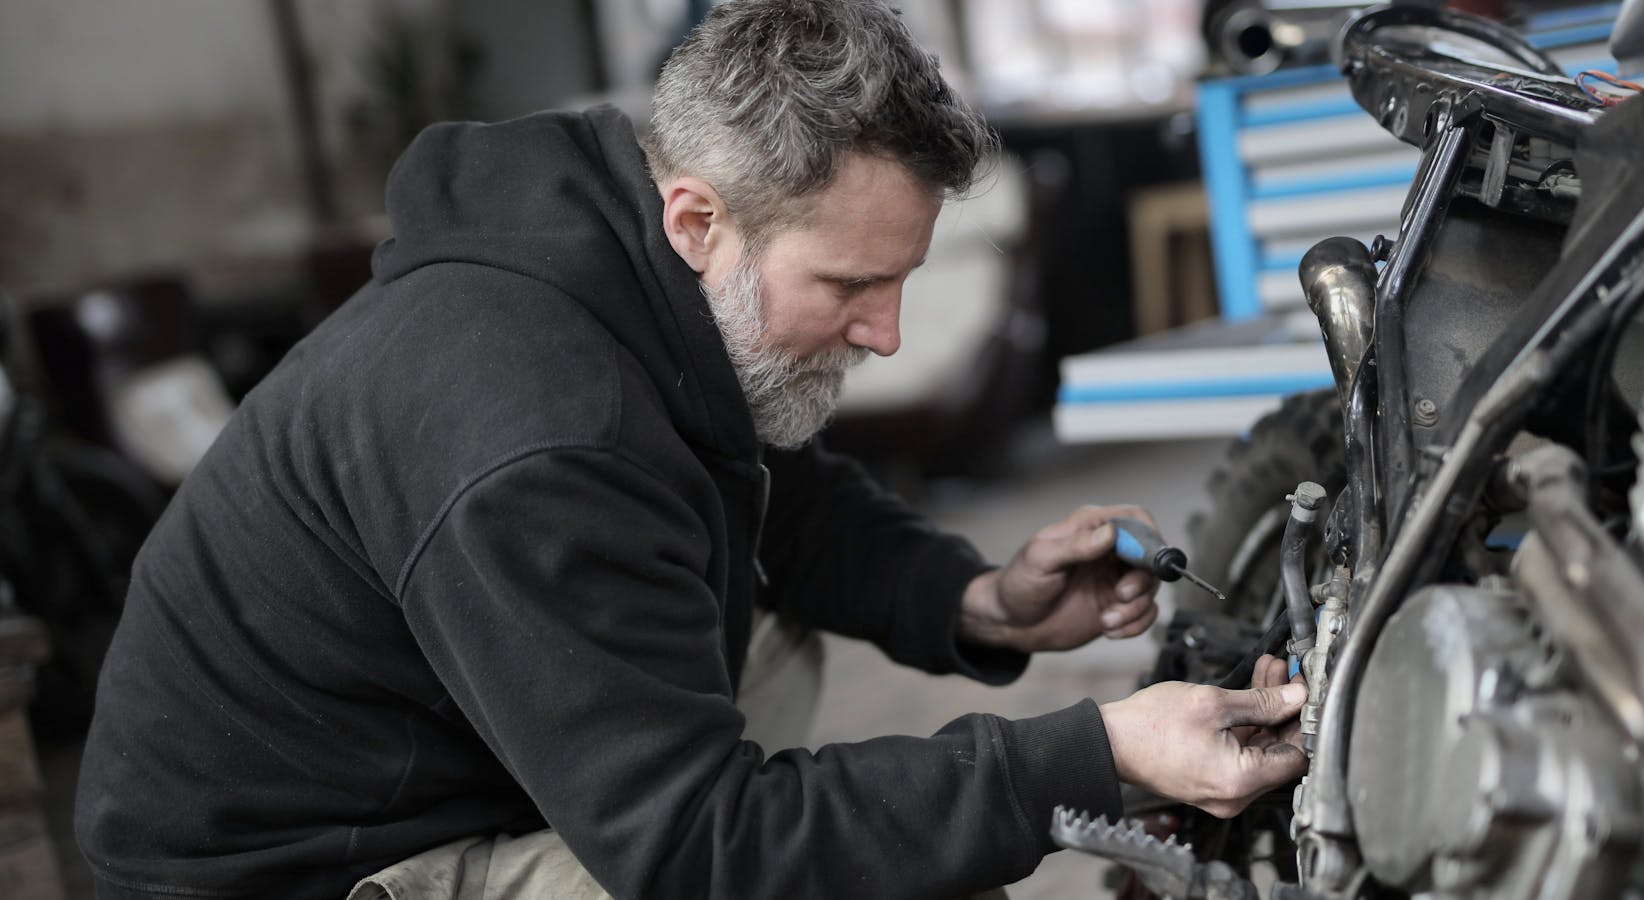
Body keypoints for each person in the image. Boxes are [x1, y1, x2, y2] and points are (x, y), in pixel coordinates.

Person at [74, 2, 1308, 897]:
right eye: (852, 286)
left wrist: (980, 601)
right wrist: (1092, 754)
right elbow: (702, 851)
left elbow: (777, 499)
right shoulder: (539, 437)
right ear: (697, 217)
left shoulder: (622, 272)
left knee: (782, 632)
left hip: (433, 754)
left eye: (901, 283)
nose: (884, 335)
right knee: (904, 877)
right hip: (301, 869)